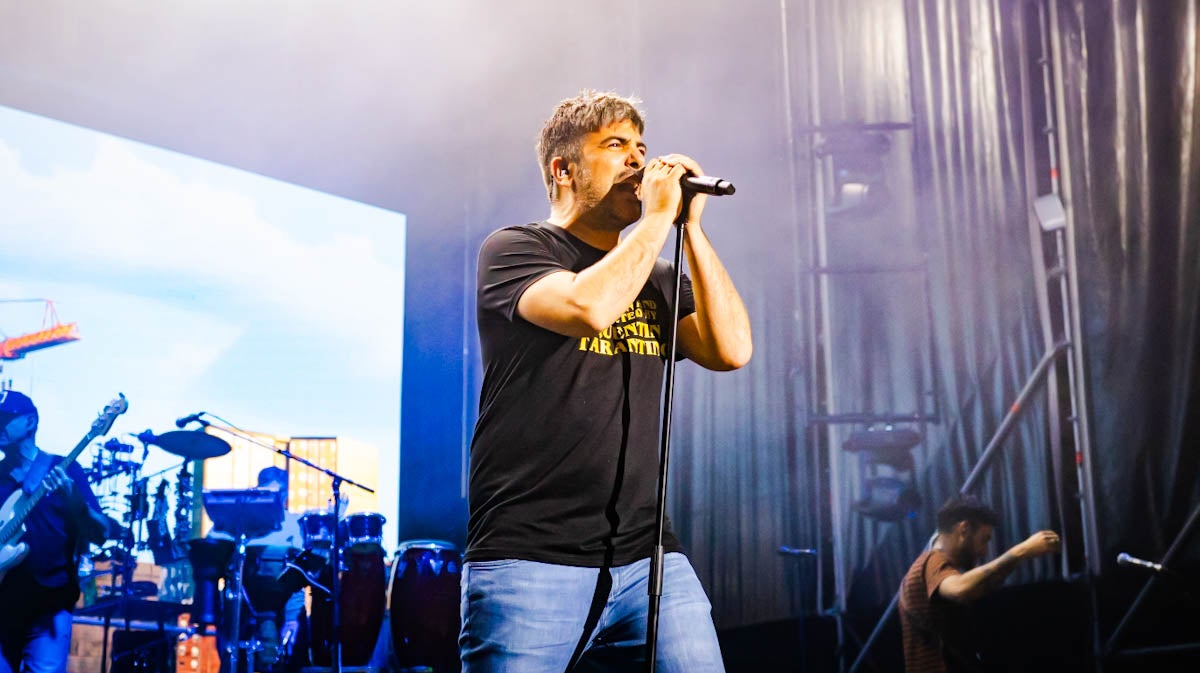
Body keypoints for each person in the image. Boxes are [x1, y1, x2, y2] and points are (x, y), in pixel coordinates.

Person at [462, 90, 752, 673]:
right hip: (531, 557)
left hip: (652, 561)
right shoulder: (518, 248)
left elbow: (732, 350)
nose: (638, 163)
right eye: (615, 146)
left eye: (641, 148)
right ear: (562, 168)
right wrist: (653, 222)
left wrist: (688, 229)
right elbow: (586, 308)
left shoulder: (657, 275)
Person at [0, 390, 112, 673]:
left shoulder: (64, 469)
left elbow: (100, 533)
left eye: (5, 419)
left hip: (48, 605)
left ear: (30, 422)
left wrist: (75, 500)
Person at [899, 496, 1061, 673]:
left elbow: (983, 584)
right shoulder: (932, 563)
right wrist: (1022, 551)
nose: (984, 551)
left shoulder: (930, 565)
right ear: (964, 529)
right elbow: (960, 589)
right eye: (984, 539)